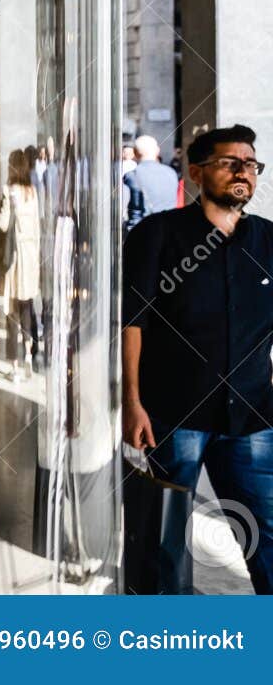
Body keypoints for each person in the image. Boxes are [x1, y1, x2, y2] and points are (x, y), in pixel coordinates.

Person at [123, 124, 273, 594]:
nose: (242, 172)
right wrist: (132, 401)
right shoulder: (157, 235)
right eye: (230, 163)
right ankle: (165, 641)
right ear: (195, 172)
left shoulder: (269, 241)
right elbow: (133, 323)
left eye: (250, 164)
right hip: (173, 413)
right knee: (165, 538)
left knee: (265, 535)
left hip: (250, 416)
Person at [0, 148, 42, 380]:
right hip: (31, 255)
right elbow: (37, 225)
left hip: (14, 258)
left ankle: (13, 365)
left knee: (11, 311)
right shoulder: (32, 191)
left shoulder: (9, 191)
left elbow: (3, 225)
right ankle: (28, 355)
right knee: (27, 307)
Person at [123, 134, 179, 230]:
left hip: (145, 233)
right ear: (157, 151)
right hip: (170, 231)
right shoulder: (171, 173)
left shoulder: (132, 176)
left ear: (135, 153)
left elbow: (134, 214)